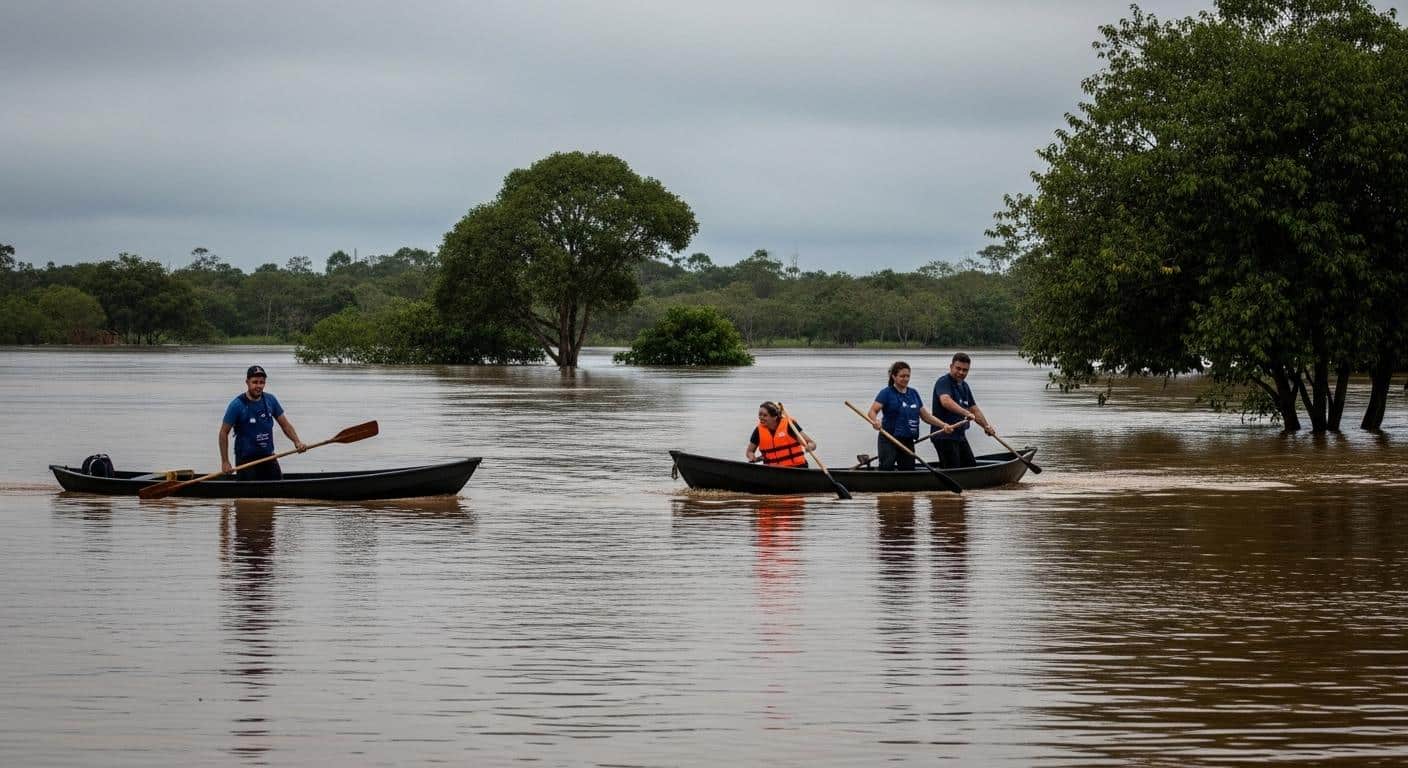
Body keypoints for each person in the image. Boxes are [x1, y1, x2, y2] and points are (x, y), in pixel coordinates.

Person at [219, 365, 306, 481]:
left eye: (261, 382)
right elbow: (223, 433)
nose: (258, 386)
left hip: (268, 456)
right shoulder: (237, 405)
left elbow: (285, 425)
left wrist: (297, 442)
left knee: (278, 486)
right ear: (247, 382)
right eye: (255, 382)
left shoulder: (271, 400)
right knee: (249, 495)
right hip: (246, 460)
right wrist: (225, 462)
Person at [866, 361, 957, 471]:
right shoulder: (886, 393)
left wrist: (943, 425)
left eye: (908, 376)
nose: (906, 379)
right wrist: (875, 421)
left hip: (907, 440)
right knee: (886, 467)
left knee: (908, 469)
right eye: (902, 376)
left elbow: (926, 416)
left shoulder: (914, 393)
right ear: (894, 376)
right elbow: (872, 411)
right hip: (888, 438)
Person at [931, 352, 995, 468]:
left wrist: (986, 426)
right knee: (954, 470)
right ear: (951, 367)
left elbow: (974, 410)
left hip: (959, 436)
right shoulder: (944, 382)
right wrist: (966, 413)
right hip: (944, 435)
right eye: (958, 368)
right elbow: (945, 401)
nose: (961, 372)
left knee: (970, 467)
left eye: (965, 370)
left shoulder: (964, 386)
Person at [747, 401, 816, 467]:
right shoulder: (758, 431)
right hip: (772, 470)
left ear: (774, 417)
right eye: (760, 415)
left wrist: (809, 446)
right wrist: (751, 456)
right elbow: (749, 451)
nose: (761, 418)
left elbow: (812, 443)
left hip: (797, 468)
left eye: (765, 415)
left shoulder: (789, 426)